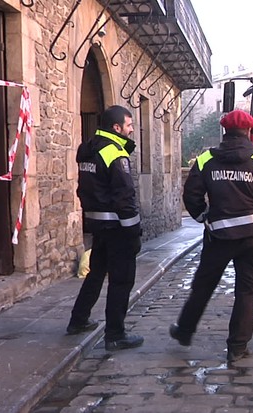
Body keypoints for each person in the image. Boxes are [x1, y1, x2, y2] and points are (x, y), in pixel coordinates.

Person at [169, 109, 253, 363]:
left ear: (224, 131)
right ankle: (237, 346)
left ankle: (184, 330)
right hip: (252, 238)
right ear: (248, 131)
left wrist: (204, 217)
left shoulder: (205, 160)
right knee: (246, 292)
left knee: (202, 286)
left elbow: (191, 195)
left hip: (218, 237)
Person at [66, 105, 145, 351]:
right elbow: (125, 195)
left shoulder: (87, 149)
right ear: (116, 127)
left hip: (97, 224)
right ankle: (115, 334)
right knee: (121, 280)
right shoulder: (114, 152)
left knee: (96, 272)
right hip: (117, 227)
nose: (132, 130)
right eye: (129, 126)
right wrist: (134, 230)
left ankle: (78, 320)